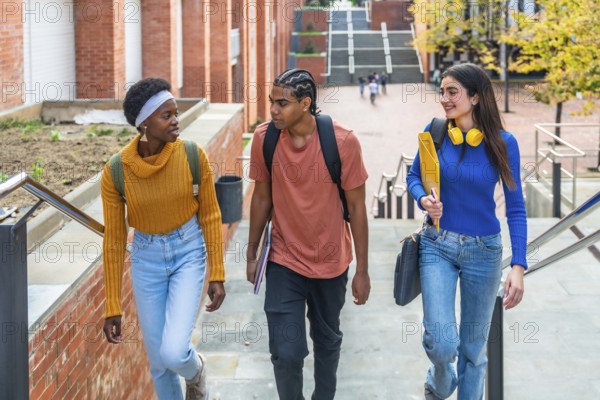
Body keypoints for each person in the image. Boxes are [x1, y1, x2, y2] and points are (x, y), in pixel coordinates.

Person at [246, 69, 370, 400]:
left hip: (332, 261)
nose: (273, 109)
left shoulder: (343, 142)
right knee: (286, 352)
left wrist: (363, 270)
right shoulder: (265, 138)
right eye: (271, 101)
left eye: (282, 103)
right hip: (284, 259)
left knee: (327, 343)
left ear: (305, 103)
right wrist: (252, 252)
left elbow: (357, 209)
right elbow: (261, 198)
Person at [406, 63, 527, 400]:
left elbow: (516, 208)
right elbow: (413, 177)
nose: (444, 98)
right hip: (437, 246)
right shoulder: (436, 132)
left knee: (474, 353)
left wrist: (518, 265)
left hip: (484, 252)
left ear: (475, 97)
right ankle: (439, 380)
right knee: (442, 342)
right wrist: (423, 200)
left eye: (452, 92)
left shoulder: (504, 143)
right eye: (442, 91)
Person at [101, 78, 226, 400]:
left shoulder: (191, 155)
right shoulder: (116, 171)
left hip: (188, 251)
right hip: (146, 259)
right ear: (144, 123)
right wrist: (112, 303)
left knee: (173, 353)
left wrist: (216, 273)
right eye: (166, 115)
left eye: (176, 113)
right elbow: (114, 240)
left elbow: (211, 216)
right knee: (158, 363)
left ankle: (196, 370)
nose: (176, 120)